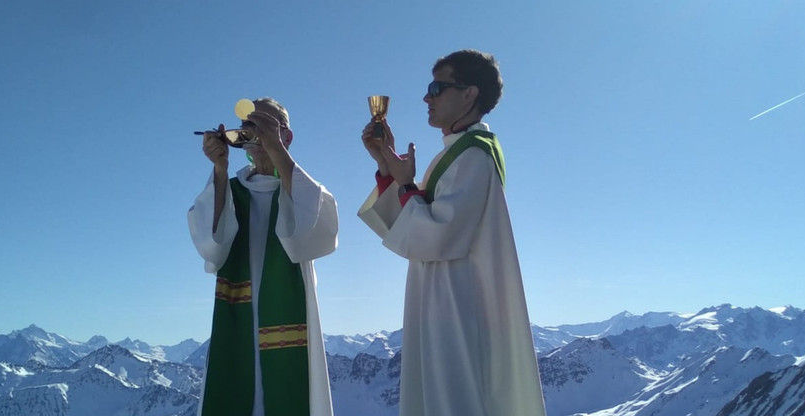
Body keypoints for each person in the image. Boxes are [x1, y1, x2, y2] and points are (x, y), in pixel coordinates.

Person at [357, 50, 547, 416]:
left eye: (437, 88)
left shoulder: (474, 155)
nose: (427, 97)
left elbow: (439, 236)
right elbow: (421, 224)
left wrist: (405, 181)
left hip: (457, 305)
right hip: (441, 298)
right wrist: (386, 166)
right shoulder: (457, 153)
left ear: (469, 94)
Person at [188, 98, 338, 416]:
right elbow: (211, 248)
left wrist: (278, 154)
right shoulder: (229, 189)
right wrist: (219, 169)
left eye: (265, 126)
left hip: (289, 317)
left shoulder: (302, 191)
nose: (255, 133)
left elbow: (315, 239)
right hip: (237, 324)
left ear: (287, 136)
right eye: (248, 127)